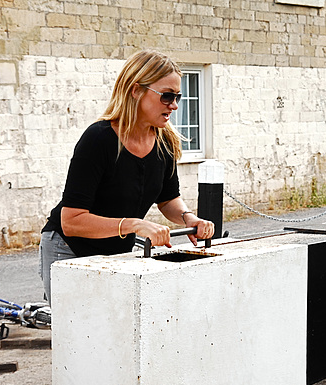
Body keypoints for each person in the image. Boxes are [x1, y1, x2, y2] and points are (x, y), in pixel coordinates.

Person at [39, 50, 214, 305]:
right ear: (136, 90)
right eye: (167, 96)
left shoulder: (165, 141)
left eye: (177, 96)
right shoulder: (99, 139)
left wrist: (190, 218)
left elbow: (168, 199)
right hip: (69, 250)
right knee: (83, 335)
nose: (174, 105)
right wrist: (134, 225)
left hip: (117, 251)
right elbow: (71, 221)